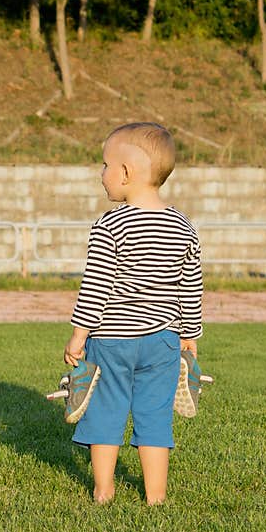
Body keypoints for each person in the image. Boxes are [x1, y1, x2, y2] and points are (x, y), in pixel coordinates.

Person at [61, 121, 203, 506]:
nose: (101, 173)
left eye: (105, 165)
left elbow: (96, 287)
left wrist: (78, 335)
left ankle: (103, 490)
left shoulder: (111, 224)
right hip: (163, 341)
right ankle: (156, 496)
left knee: (106, 409)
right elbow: (190, 285)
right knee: (155, 414)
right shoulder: (183, 225)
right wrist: (189, 335)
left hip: (113, 339)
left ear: (125, 173)